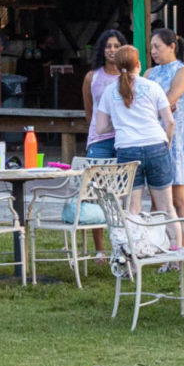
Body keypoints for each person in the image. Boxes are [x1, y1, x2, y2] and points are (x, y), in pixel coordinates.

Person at [96, 45, 182, 248]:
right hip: (155, 145)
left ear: (117, 66)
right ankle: (176, 254)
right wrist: (167, 142)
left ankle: (134, 256)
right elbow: (169, 121)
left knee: (132, 208)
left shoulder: (110, 91)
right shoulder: (152, 87)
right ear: (138, 64)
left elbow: (100, 128)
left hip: (127, 150)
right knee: (167, 207)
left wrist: (118, 121)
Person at [144, 28, 184, 232]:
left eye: (157, 47)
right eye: (151, 48)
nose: (153, 52)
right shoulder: (149, 72)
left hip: (174, 138)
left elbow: (169, 100)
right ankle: (158, 243)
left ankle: (183, 245)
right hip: (150, 137)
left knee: (177, 196)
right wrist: (160, 106)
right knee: (156, 198)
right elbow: (144, 104)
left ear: (172, 46)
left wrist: (159, 105)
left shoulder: (182, 71)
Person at [81, 29, 125, 260]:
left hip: (123, 140)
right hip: (98, 141)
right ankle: (99, 249)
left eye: (117, 45)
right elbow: (90, 113)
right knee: (95, 195)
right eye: (108, 46)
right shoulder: (92, 77)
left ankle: (120, 244)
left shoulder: (128, 76)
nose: (112, 50)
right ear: (102, 49)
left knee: (119, 196)